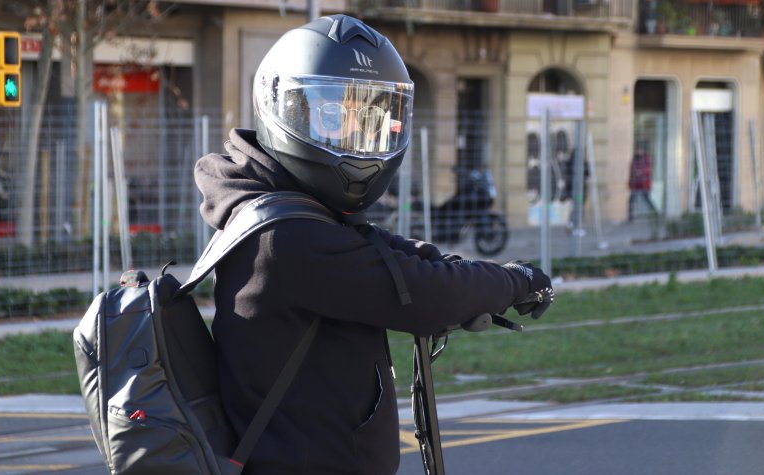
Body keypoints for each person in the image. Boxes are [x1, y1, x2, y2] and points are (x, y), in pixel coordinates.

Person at [194, 15, 553, 475]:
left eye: (370, 120)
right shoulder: (284, 237)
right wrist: (512, 281)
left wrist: (472, 270)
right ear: (282, 109)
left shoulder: (293, 212)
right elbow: (420, 295)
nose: (355, 142)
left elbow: (387, 251)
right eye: (331, 118)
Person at [628, 144, 658, 220]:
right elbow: (632, 171)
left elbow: (649, 170)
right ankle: (630, 216)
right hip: (635, 184)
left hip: (644, 184)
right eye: (637, 150)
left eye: (639, 150)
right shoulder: (635, 159)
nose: (638, 151)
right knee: (631, 200)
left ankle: (655, 213)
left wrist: (641, 172)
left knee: (647, 199)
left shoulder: (646, 158)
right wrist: (630, 182)